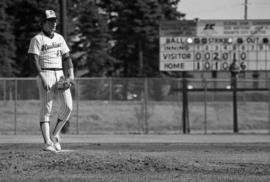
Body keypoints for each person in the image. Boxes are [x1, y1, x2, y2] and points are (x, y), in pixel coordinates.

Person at [28, 10, 74, 152]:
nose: (54, 23)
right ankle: (47, 142)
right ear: (42, 23)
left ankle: (54, 135)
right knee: (46, 109)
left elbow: (66, 57)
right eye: (50, 21)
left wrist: (71, 74)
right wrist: (42, 77)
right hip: (45, 72)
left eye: (55, 21)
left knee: (68, 107)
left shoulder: (59, 38)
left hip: (60, 74)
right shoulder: (37, 39)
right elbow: (33, 60)